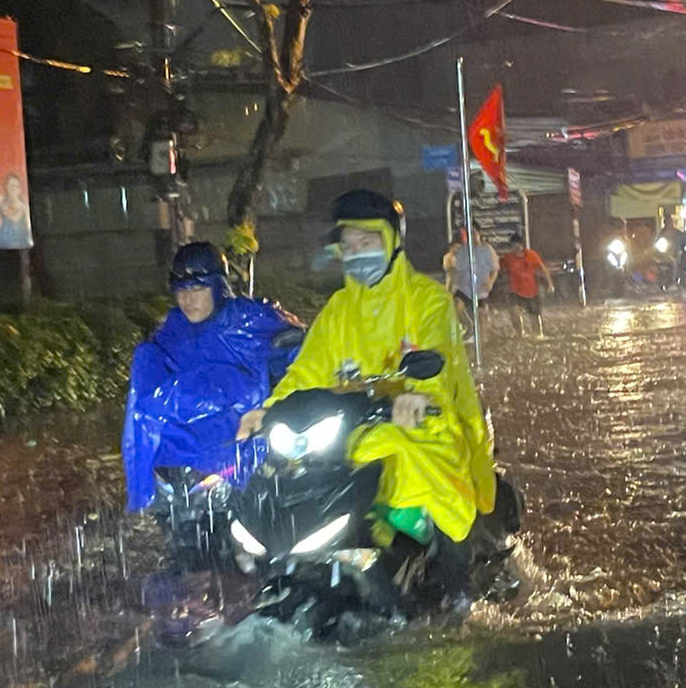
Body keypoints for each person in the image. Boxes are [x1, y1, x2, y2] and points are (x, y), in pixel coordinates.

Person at [242, 190, 497, 588]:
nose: (357, 253)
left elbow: (438, 356)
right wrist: (270, 408)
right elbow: (308, 369)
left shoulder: (428, 300)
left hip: (426, 420)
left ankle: (456, 583)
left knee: (429, 477)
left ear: (392, 241)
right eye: (349, 246)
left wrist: (417, 394)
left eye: (367, 242)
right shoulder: (339, 309)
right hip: (353, 426)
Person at [121, 242, 303, 512]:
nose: (188, 299)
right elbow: (146, 402)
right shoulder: (170, 333)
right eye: (181, 290)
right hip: (185, 458)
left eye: (198, 288)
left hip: (246, 441)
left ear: (218, 286)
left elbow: (304, 356)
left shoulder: (251, 320)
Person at [442, 220, 499, 331]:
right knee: (457, 306)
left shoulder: (487, 250)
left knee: (481, 318)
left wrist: (490, 283)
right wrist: (452, 254)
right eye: (468, 233)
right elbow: (449, 266)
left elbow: (495, 270)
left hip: (481, 289)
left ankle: (482, 337)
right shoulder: (463, 250)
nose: (471, 236)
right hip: (465, 288)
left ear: (479, 233)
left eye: (473, 232)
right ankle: (468, 325)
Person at [498, 238, 547, 337]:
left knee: (534, 315)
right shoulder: (507, 258)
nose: (516, 248)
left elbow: (542, 269)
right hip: (515, 290)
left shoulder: (531, 255)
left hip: (531, 290)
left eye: (518, 246)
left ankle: (538, 334)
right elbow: (500, 269)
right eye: (513, 246)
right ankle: (519, 333)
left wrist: (549, 283)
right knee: (514, 311)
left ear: (522, 246)